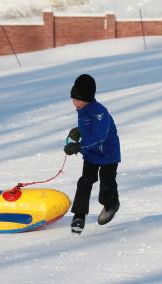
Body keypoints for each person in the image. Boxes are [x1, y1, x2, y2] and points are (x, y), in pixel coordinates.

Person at [64, 74, 121, 234]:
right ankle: (79, 216)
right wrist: (78, 132)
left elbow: (100, 136)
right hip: (91, 152)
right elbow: (88, 129)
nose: (75, 103)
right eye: (73, 98)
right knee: (85, 181)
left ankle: (111, 204)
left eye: (78, 99)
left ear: (88, 98)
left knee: (106, 182)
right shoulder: (82, 109)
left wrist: (78, 147)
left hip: (107, 152)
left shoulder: (99, 112)